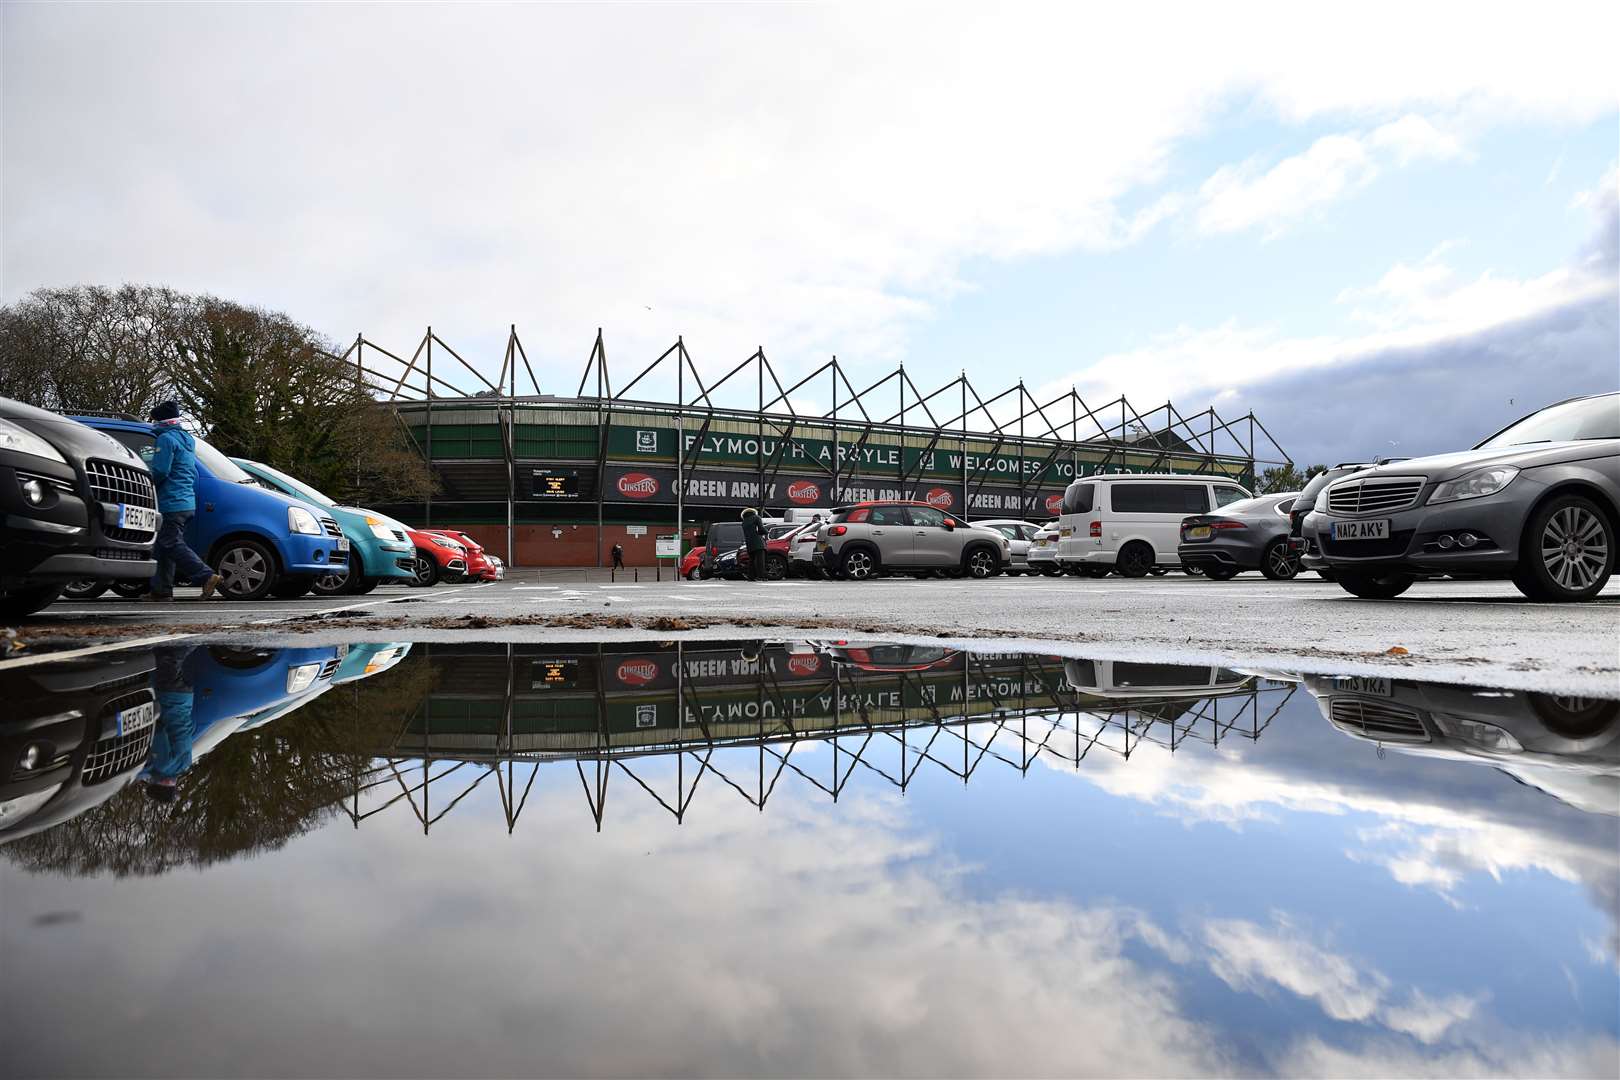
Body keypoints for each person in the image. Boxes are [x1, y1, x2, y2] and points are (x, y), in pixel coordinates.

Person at [145, 400, 222, 601]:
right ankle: (161, 591)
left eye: (154, 420)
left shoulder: (166, 439)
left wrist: (145, 481)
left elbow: (161, 471)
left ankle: (206, 575)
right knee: (163, 546)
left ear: (161, 421)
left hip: (170, 500)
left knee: (170, 542)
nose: (152, 424)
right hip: (186, 502)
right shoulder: (188, 440)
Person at [741, 507, 768, 581]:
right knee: (760, 560)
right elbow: (761, 529)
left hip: (749, 543)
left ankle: (751, 576)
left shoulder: (744, 522)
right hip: (758, 542)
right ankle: (761, 576)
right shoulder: (756, 518)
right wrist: (766, 531)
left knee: (751, 560)